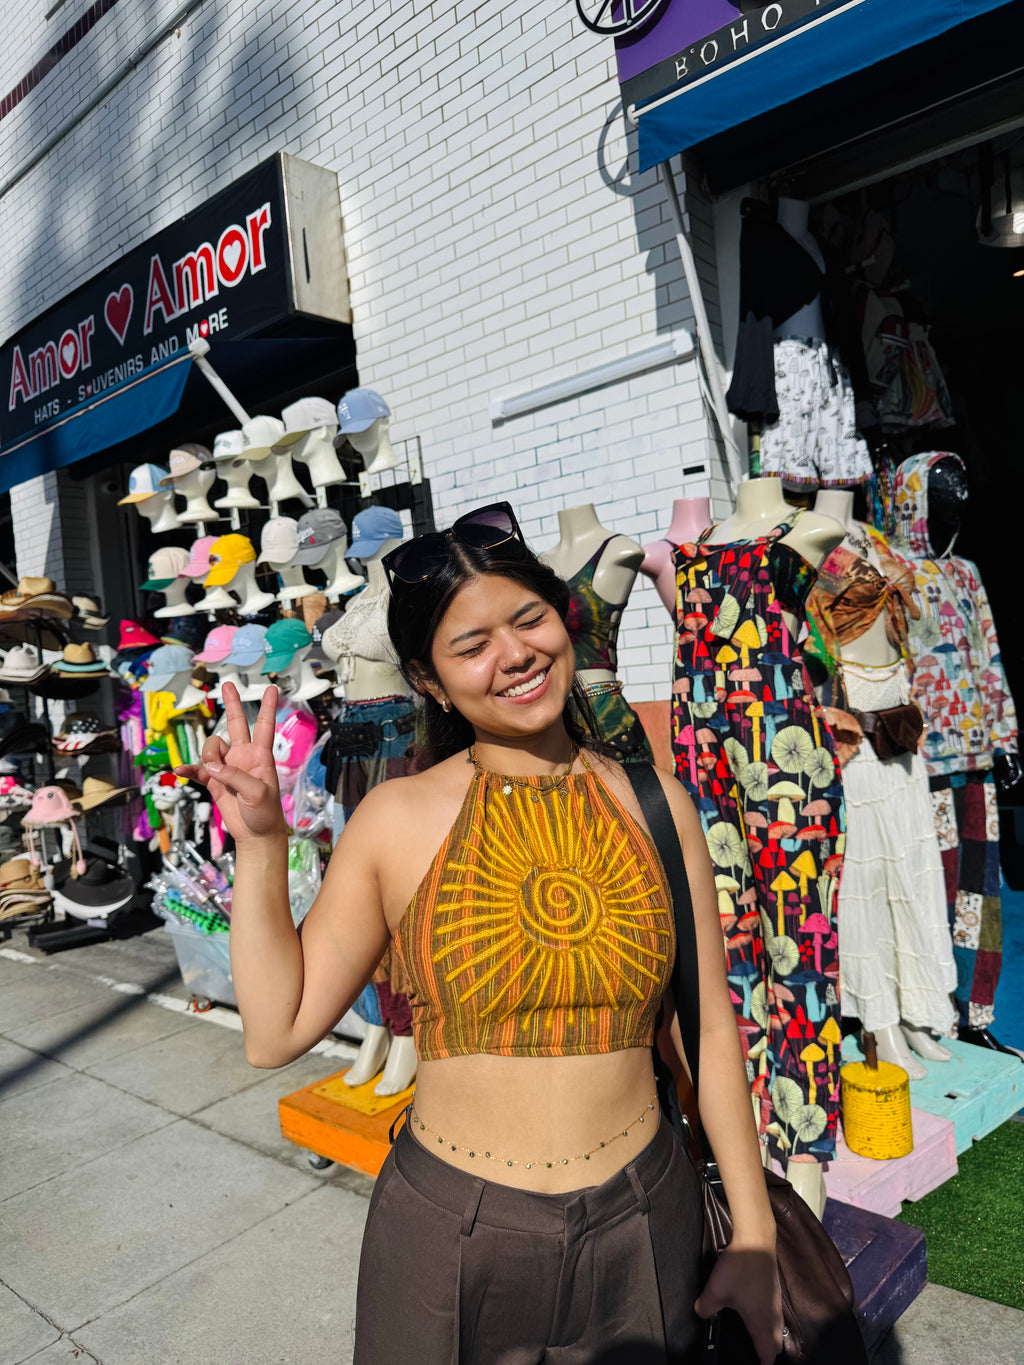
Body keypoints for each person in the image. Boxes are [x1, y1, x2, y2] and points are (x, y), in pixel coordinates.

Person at [176, 502, 783, 1364]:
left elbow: (709, 1029)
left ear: (562, 617)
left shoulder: (657, 802)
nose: (515, 656)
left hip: (647, 1216)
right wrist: (263, 845)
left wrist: (752, 1235)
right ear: (428, 680)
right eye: (472, 645)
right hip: (451, 1237)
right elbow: (276, 1029)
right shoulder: (393, 819)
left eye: (529, 618)